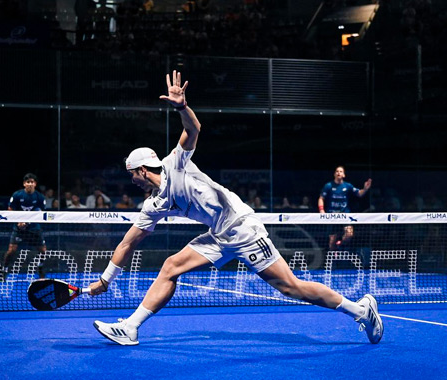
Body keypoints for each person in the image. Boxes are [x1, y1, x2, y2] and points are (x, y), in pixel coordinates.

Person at [89, 71, 382, 346]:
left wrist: (182, 108)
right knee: (170, 266)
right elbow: (128, 242)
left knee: (292, 288)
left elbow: (193, 128)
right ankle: (130, 327)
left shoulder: (175, 163)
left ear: (141, 170)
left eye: (132, 175)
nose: (132, 181)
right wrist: (105, 280)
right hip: (218, 234)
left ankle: (360, 310)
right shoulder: (153, 205)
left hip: (242, 227)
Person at [0, 173, 47, 282]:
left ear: (35, 184)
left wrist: (28, 221)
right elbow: (10, 210)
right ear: (24, 184)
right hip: (19, 229)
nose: (30, 184)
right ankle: (4, 270)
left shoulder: (39, 197)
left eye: (32, 182)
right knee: (11, 251)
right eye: (28, 182)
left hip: (34, 228)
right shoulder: (17, 195)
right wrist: (18, 221)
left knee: (43, 251)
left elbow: (41, 212)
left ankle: (40, 267)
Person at [318, 166, 371, 250]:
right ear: (334, 174)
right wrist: (321, 210)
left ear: (344, 175)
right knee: (331, 242)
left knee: (349, 234)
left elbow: (359, 194)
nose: (339, 173)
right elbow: (321, 198)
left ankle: (341, 243)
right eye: (337, 171)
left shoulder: (348, 186)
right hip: (332, 216)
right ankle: (333, 258)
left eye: (341, 171)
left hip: (345, 215)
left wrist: (365, 189)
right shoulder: (328, 186)